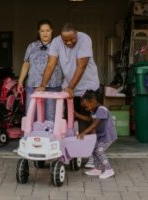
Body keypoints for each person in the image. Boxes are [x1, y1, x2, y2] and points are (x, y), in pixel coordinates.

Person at [36, 22, 100, 167]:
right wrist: (42, 85)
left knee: (88, 122)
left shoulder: (85, 39)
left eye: (72, 39)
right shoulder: (56, 42)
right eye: (66, 41)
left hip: (88, 87)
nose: (69, 42)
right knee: (67, 122)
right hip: (68, 90)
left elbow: (81, 65)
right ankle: (68, 152)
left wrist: (71, 87)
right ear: (61, 37)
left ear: (76, 34)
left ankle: (93, 155)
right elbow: (51, 64)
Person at [17, 19, 63, 121]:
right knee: (31, 115)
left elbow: (65, 65)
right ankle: (31, 136)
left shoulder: (58, 46)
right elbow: (26, 64)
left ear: (52, 31)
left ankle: (49, 136)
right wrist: (20, 81)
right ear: (38, 32)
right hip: (33, 85)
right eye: (42, 31)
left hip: (52, 85)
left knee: (50, 116)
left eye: (47, 30)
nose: (45, 33)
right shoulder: (32, 46)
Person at [75, 90, 117, 179]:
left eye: (87, 106)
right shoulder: (93, 110)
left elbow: (95, 124)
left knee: (99, 151)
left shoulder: (102, 110)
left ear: (93, 101)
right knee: (94, 150)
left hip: (108, 136)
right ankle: (97, 169)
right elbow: (89, 119)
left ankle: (109, 170)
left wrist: (84, 132)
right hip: (101, 135)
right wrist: (76, 115)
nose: (86, 109)